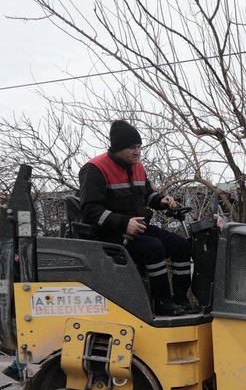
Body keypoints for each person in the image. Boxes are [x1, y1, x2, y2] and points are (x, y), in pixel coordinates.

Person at [79, 119, 193, 316]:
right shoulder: (95, 169)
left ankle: (181, 299)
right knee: (153, 248)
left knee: (182, 245)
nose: (137, 152)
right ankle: (163, 303)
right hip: (108, 234)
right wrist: (124, 223)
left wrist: (161, 200)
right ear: (118, 148)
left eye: (139, 147)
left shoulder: (137, 166)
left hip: (139, 229)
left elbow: (147, 195)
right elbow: (90, 210)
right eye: (132, 147)